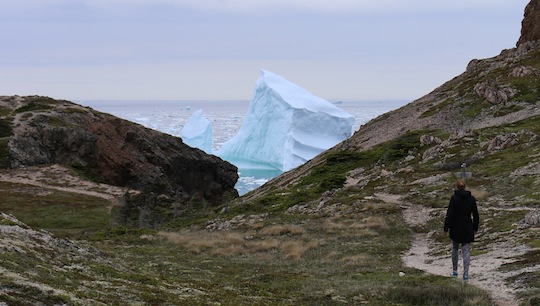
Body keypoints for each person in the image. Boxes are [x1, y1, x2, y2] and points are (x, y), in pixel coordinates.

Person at [444, 179, 479, 281]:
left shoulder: (454, 198)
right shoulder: (471, 198)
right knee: (466, 251)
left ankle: (455, 271)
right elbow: (475, 214)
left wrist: (446, 227)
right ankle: (466, 274)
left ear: (457, 187)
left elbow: (450, 214)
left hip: (456, 226)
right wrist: (475, 227)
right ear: (465, 186)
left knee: (455, 248)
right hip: (468, 226)